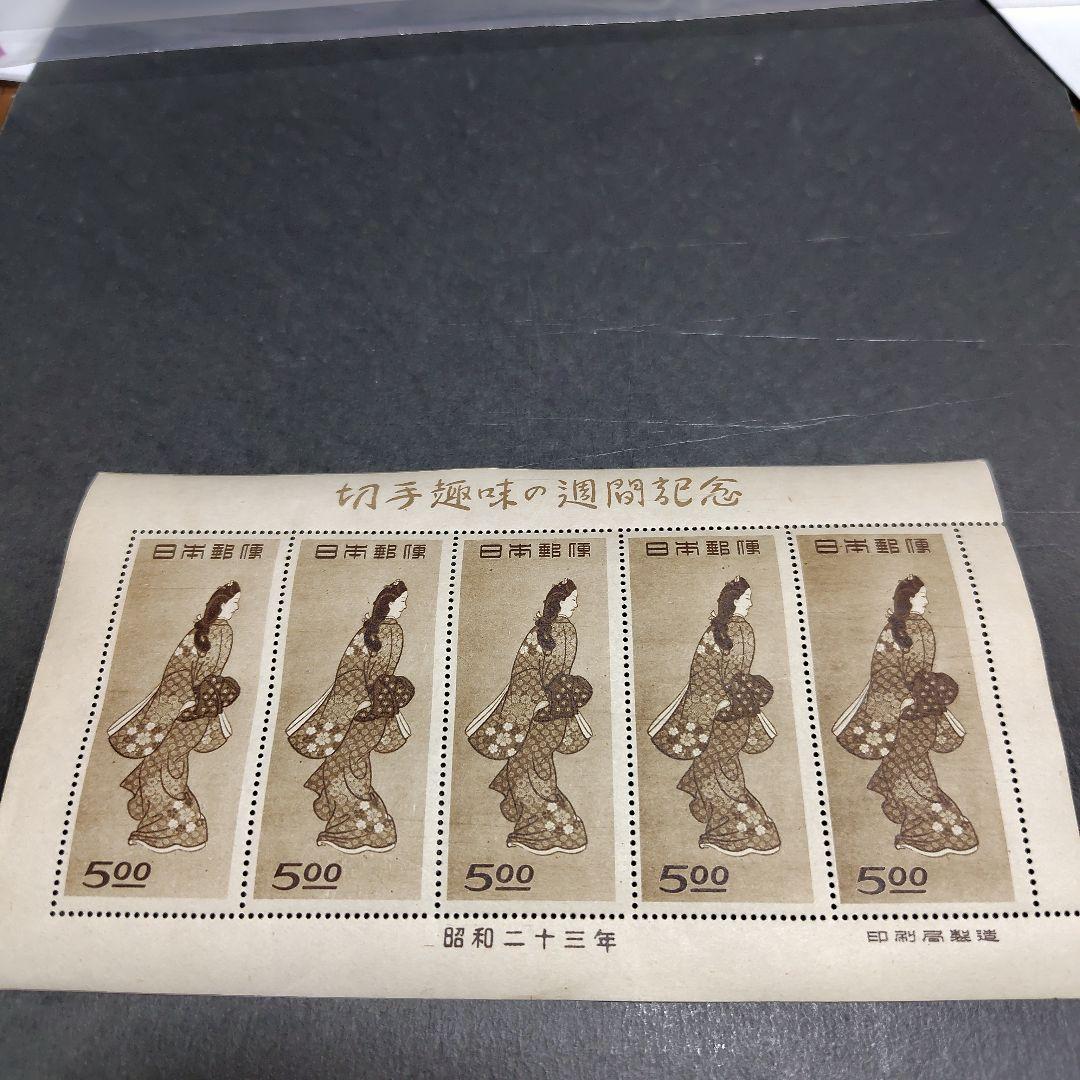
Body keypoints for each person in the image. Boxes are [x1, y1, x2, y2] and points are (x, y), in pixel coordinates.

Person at [834, 575, 978, 856]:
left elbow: (886, 672)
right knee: (913, 774)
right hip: (915, 711)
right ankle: (927, 831)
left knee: (910, 776)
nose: (926, 601)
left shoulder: (911, 627)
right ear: (910, 599)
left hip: (912, 713)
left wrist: (908, 701)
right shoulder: (909, 628)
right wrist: (909, 700)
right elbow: (887, 671)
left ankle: (940, 832)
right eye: (922, 596)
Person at [650, 577, 780, 855]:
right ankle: (734, 826)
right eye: (747, 599)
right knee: (722, 770)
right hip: (732, 712)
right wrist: (725, 701)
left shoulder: (727, 630)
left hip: (723, 714)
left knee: (714, 772)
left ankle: (735, 832)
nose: (750, 604)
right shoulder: (736, 630)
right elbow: (715, 674)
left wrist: (717, 704)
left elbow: (709, 675)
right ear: (734, 602)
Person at [108, 581, 241, 852]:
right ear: (221, 605)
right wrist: (186, 701)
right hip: (189, 707)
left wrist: (194, 699)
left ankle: (169, 827)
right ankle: (160, 820)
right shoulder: (206, 632)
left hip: (195, 710)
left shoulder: (220, 632)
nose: (237, 608)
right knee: (164, 764)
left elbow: (191, 673)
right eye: (234, 603)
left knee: (167, 765)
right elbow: (178, 672)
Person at [467, 579, 592, 855]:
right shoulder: (554, 631)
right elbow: (527, 672)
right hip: (546, 709)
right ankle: (539, 824)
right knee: (531, 767)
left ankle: (543, 830)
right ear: (560, 602)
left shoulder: (558, 631)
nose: (576, 604)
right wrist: (543, 700)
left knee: (530, 769)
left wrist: (541, 700)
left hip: (545, 711)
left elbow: (528, 672)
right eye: (572, 600)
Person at [288, 580, 414, 853]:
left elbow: (368, 674)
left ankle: (356, 828)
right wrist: (362, 701)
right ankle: (352, 822)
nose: (405, 606)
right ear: (389, 604)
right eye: (402, 601)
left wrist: (368, 701)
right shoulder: (378, 632)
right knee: (349, 766)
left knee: (346, 768)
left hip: (369, 711)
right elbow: (352, 672)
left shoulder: (389, 631)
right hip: (364, 709)